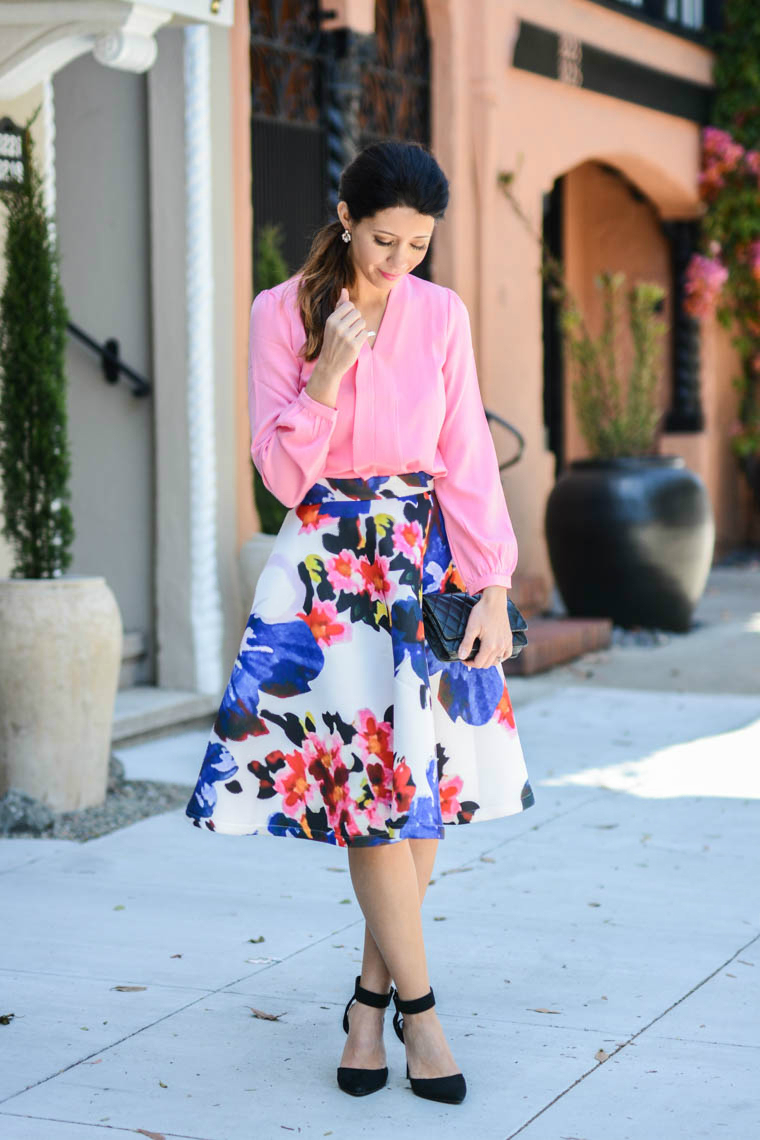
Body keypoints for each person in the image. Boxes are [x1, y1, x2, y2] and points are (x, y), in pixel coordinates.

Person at [185, 139, 535, 1105]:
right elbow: (281, 478)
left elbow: (464, 453)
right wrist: (328, 372)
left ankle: (367, 1006)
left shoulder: (441, 315)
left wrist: (494, 582)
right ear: (347, 218)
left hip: (424, 565)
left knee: (415, 796)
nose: (401, 262)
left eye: (419, 245)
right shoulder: (279, 312)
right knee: (374, 804)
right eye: (387, 240)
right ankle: (422, 1015)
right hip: (328, 574)